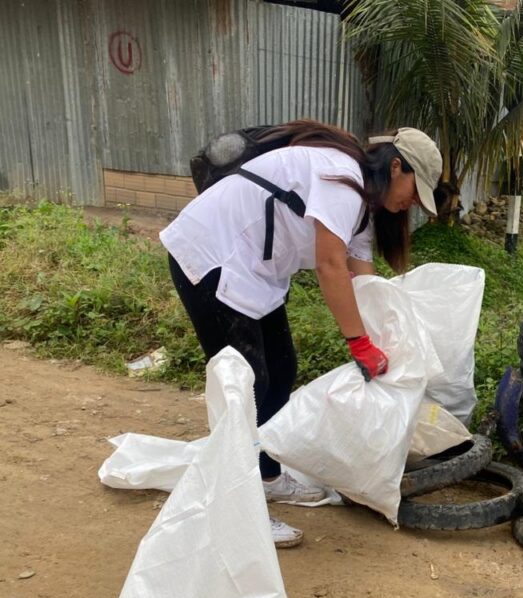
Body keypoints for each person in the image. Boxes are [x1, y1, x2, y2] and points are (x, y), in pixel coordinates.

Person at [160, 120, 442, 548]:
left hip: (253, 271)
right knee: (245, 388)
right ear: (398, 167)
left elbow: (361, 279)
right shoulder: (341, 180)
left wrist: (387, 337)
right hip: (210, 254)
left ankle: (267, 476)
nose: (411, 205)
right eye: (414, 192)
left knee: (282, 367)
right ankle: (239, 509)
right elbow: (330, 266)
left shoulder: (363, 207)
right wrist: (358, 343)